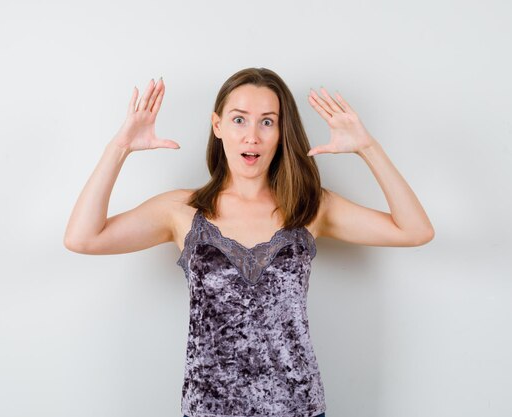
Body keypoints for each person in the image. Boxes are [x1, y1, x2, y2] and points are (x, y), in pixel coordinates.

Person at [64, 67, 434, 417]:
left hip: (298, 407)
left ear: (281, 131)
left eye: (267, 122)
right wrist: (120, 147)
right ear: (218, 125)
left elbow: (415, 231)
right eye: (239, 119)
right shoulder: (182, 210)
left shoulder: (310, 206)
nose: (252, 136)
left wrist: (367, 147)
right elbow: (83, 238)